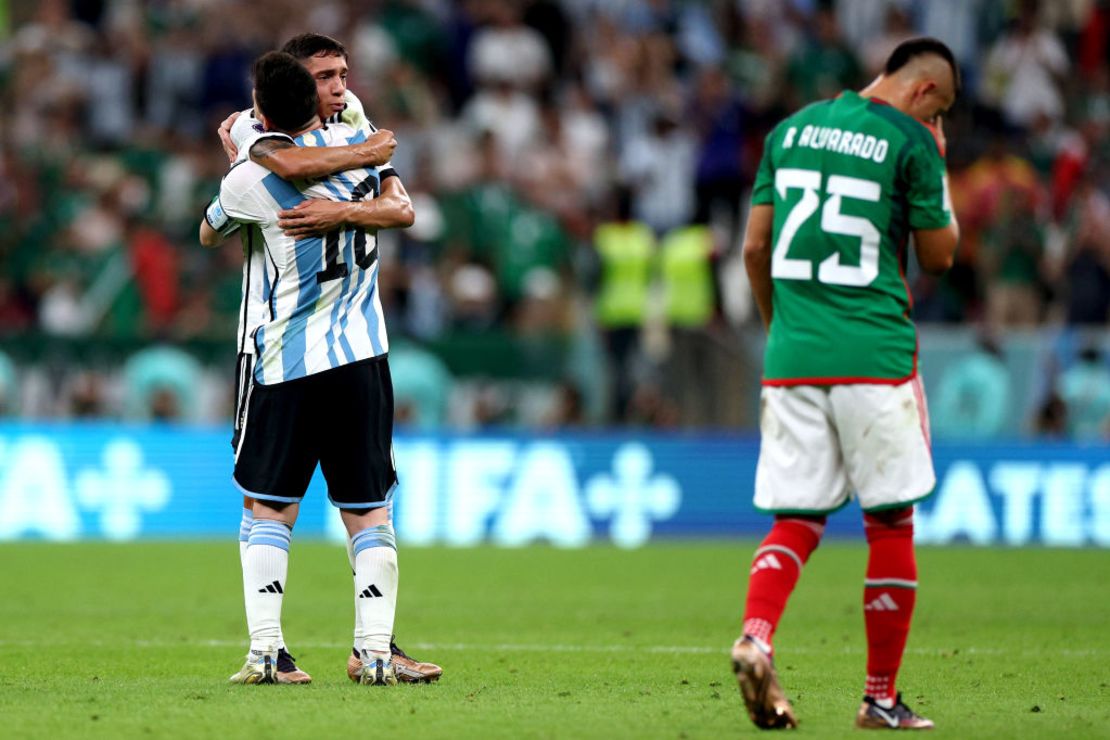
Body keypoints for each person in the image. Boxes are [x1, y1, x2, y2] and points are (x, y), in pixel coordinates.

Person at [734, 38, 961, 730]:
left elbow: (753, 248)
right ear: (923, 94)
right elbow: (941, 256)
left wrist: (778, 329)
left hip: (793, 354)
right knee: (889, 520)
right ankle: (879, 697)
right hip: (875, 355)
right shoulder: (912, 143)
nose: (939, 126)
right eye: (942, 112)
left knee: (796, 518)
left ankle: (755, 635)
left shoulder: (788, 131)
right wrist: (939, 168)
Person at [213, 33, 442, 685]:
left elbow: (211, 226)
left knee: (270, 506)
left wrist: (330, 206)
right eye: (325, 77)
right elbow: (392, 200)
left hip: (288, 354)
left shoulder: (253, 162)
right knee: (366, 509)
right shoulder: (286, 143)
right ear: (295, 84)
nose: (341, 88)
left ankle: (279, 650)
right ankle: (368, 651)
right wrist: (368, 163)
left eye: (344, 74)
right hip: (355, 352)